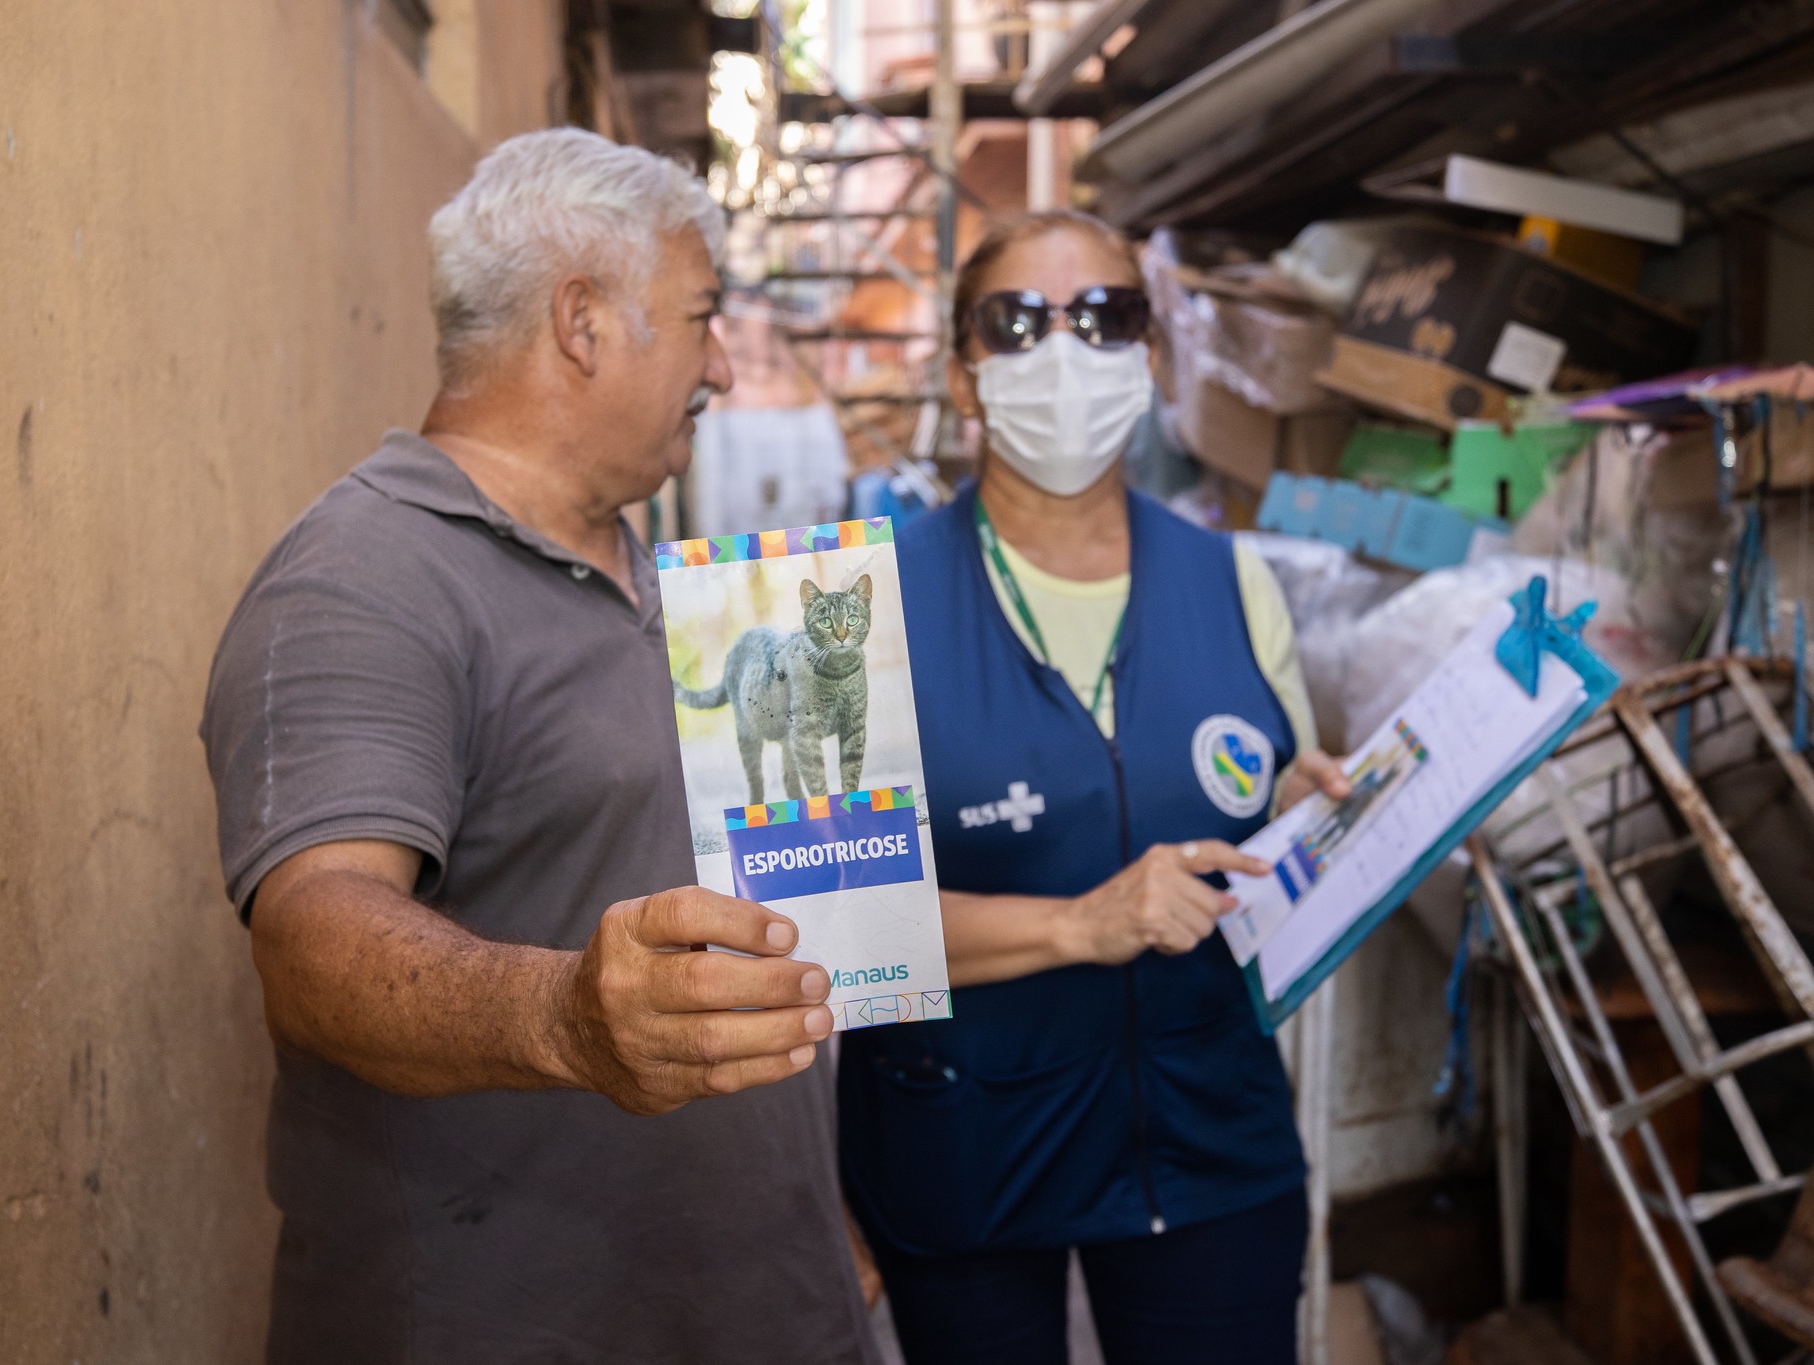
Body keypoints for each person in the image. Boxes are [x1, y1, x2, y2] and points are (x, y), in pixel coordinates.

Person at [201, 128, 879, 1364]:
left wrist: (805, 1199)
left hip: (763, 1307)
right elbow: (314, 937)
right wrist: (566, 1017)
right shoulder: (360, 579)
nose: (720, 364)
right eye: (698, 318)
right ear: (581, 323)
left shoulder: (685, 583)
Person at [836, 210, 1353, 1365]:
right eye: (1016, 322)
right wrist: (1082, 924)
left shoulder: (1236, 582)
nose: (1063, 351)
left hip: (1210, 1157)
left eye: (1107, 316)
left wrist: (1301, 814)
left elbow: (1256, 839)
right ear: (963, 375)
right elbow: (823, 934)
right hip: (958, 1164)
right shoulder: (842, 603)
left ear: (1151, 358)